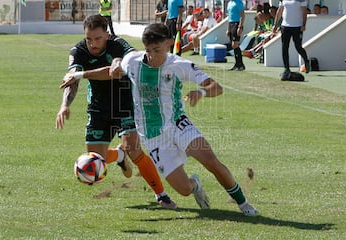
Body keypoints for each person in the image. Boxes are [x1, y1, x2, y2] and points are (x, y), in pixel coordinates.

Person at [60, 23, 260, 216]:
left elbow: (216, 87)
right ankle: (195, 185)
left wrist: (201, 92)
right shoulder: (133, 62)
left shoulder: (180, 65)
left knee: (211, 162)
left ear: (169, 44)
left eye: (157, 50)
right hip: (153, 136)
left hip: (178, 123)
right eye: (148, 50)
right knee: (184, 189)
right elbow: (111, 71)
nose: (151, 55)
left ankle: (243, 204)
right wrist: (80, 75)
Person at [55, 15, 176, 209]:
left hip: (125, 102)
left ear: (107, 35)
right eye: (89, 39)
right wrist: (65, 105)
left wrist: (121, 60)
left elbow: (131, 58)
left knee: (134, 150)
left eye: (98, 38)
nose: (93, 44)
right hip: (98, 106)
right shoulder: (78, 51)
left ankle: (161, 195)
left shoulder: (118, 44)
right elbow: (72, 79)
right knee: (95, 160)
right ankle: (119, 156)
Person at [272, 0, 310, 78]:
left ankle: (306, 61)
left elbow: (304, 12)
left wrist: (303, 24)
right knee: (284, 47)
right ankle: (286, 68)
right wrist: (275, 25)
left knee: (298, 47)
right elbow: (279, 11)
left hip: (297, 26)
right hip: (285, 26)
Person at [226, 0, 246, 71]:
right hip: (231, 24)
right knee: (233, 45)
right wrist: (228, 29)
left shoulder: (238, 2)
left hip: (236, 24)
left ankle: (240, 64)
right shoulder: (229, 3)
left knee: (235, 44)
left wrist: (240, 26)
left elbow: (242, 15)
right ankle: (237, 64)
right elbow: (229, 16)